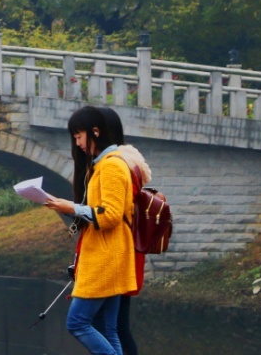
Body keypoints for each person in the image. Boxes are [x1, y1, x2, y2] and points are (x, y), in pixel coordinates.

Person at [44, 105, 137, 355]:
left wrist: (72, 207)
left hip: (106, 258)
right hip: (110, 255)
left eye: (79, 136)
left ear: (95, 131)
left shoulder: (111, 166)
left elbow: (111, 215)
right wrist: (70, 208)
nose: (77, 143)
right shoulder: (102, 165)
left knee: (77, 322)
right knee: (109, 329)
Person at [98, 106, 150, 355]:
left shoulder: (116, 166)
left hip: (116, 253)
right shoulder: (127, 164)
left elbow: (111, 214)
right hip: (122, 252)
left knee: (106, 324)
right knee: (115, 324)